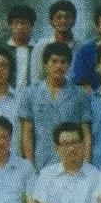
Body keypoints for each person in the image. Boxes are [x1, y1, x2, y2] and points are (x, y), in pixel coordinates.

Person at [19, 41, 92, 170]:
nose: (58, 66)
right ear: (45, 64)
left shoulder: (79, 94)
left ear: (69, 65)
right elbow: (27, 132)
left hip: (73, 163)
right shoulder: (31, 93)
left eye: (63, 62)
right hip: (42, 163)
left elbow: (86, 133)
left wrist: (86, 164)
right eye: (54, 61)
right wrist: (29, 165)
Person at [31, 0, 78, 84]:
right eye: (59, 17)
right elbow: (36, 79)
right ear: (51, 21)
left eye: (67, 17)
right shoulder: (41, 46)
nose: (63, 20)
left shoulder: (81, 48)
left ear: (74, 20)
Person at [7, 4, 39, 90]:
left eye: (23, 23)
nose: (19, 27)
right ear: (10, 25)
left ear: (32, 26)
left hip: (33, 94)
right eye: (16, 23)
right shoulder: (2, 49)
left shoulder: (39, 49)